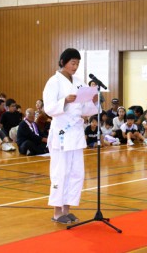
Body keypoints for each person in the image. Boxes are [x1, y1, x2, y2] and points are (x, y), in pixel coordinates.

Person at [43, 48, 98, 224]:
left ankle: (67, 209)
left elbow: (86, 110)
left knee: (76, 173)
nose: (75, 67)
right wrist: (64, 101)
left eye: (77, 63)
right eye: (72, 63)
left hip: (75, 132)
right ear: (63, 62)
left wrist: (93, 101)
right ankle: (57, 212)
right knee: (61, 173)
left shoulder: (80, 82)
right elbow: (49, 108)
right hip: (61, 132)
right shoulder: (53, 82)